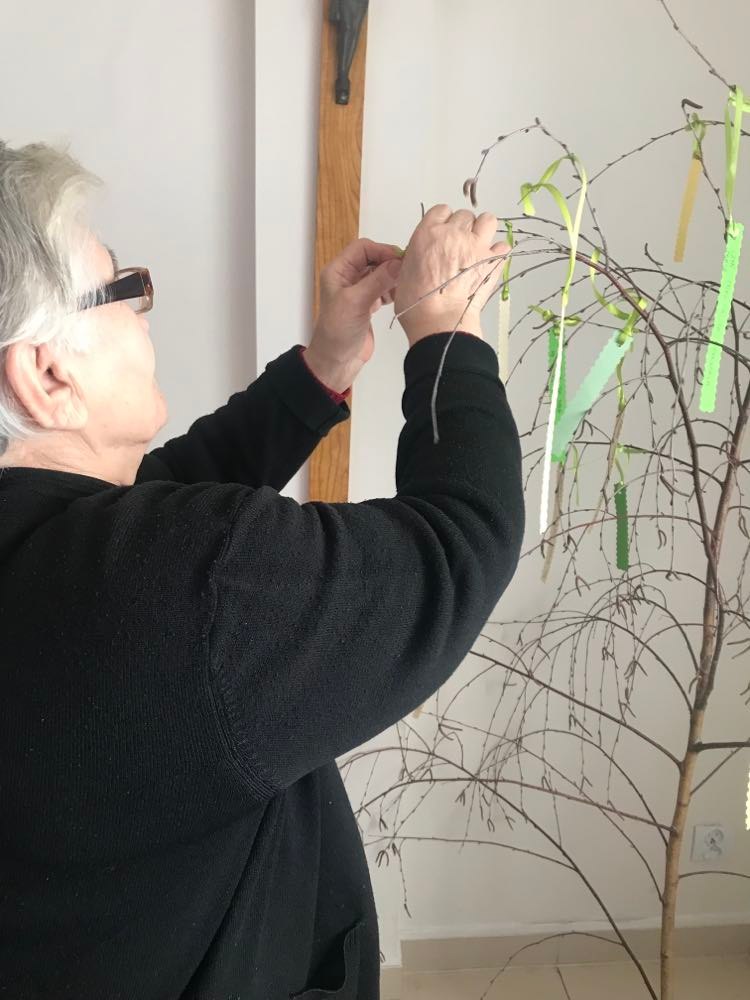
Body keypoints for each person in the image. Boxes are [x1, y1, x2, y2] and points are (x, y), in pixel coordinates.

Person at [0, 141, 524, 1000]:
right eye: (123, 288)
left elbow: (159, 500)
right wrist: (448, 337)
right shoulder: (180, 588)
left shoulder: (57, 549)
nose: (144, 309)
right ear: (47, 373)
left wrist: (327, 362)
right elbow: (459, 542)